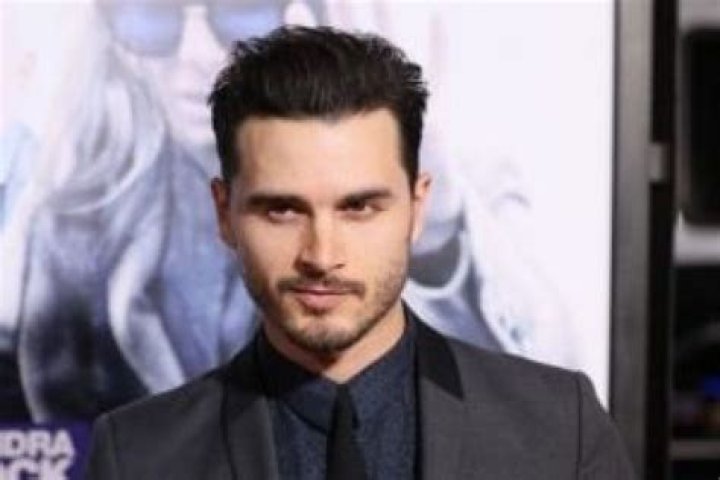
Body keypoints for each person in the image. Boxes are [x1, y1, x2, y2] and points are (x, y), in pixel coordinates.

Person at [85, 26, 633, 479]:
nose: (322, 255)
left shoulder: (559, 429)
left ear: (417, 208)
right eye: (283, 210)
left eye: (359, 207)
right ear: (224, 213)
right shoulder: (140, 456)